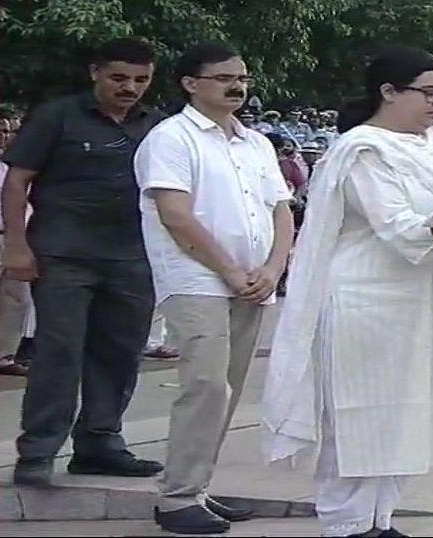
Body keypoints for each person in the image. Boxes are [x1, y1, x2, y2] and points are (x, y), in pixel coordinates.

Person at [261, 45, 433, 538]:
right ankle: (346, 523)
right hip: (366, 295)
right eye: (428, 92)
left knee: (409, 409)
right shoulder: (362, 148)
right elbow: (399, 225)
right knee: (361, 414)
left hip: (427, 292)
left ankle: (380, 519)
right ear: (388, 91)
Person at [134, 42, 294, 534]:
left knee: (227, 388)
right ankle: (177, 497)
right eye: (223, 77)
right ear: (190, 83)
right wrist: (228, 269)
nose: (237, 86)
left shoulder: (256, 142)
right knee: (204, 383)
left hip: (252, 279)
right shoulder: (171, 138)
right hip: (196, 276)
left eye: (241, 76)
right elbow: (176, 216)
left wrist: (273, 267)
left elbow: (281, 211)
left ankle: (198, 487)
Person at [2, 38, 165, 488]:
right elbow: (17, 182)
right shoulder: (58, 116)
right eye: (118, 77)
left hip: (133, 258)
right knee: (58, 355)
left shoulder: (159, 126)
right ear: (95, 72)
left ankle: (99, 444)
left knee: (119, 355)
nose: (130, 87)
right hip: (62, 255)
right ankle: (37, 451)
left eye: (140, 79)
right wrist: (16, 246)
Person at [0, 113, 29, 377]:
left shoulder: (9, 167)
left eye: (5, 131)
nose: (0, 136)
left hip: (12, 236)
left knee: (15, 299)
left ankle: (1, 356)